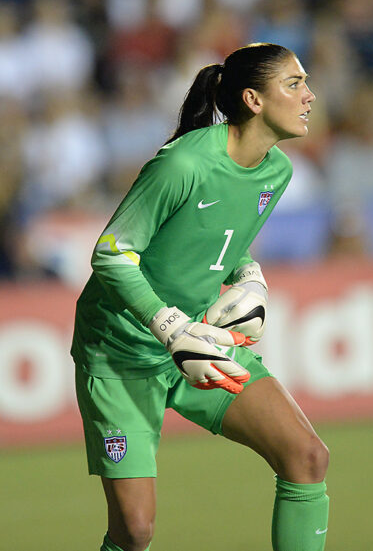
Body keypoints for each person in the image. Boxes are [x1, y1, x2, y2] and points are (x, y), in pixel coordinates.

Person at [71, 42, 329, 551]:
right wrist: (168, 326)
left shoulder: (277, 172)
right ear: (254, 100)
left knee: (307, 456)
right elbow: (111, 253)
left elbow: (222, 237)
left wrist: (251, 274)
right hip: (122, 353)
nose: (310, 96)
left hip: (197, 343)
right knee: (136, 530)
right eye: (295, 84)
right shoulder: (183, 164)